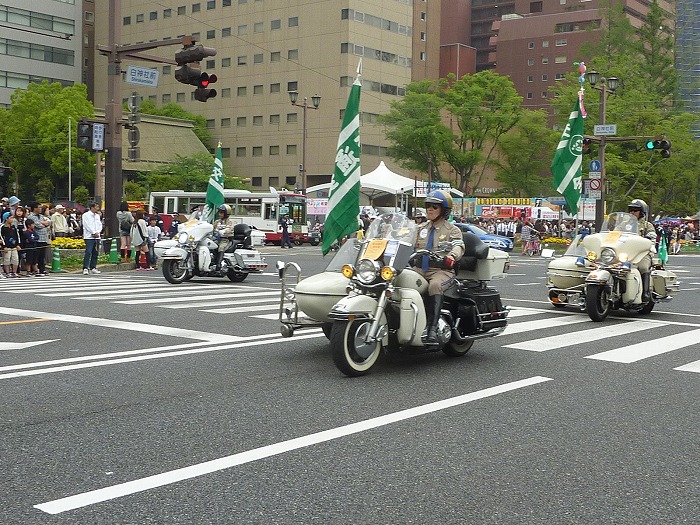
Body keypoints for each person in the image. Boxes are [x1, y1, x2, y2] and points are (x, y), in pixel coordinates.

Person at [412, 190, 465, 345]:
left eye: (434, 206)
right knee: (399, 280)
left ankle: (432, 330)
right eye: (428, 205)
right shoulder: (420, 228)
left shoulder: (452, 230)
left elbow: (459, 246)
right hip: (419, 269)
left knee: (434, 286)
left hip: (441, 271)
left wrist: (452, 256)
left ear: (444, 210)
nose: (430, 209)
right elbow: (406, 242)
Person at [627, 199, 655, 301]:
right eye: (631, 210)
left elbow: (652, 239)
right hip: (625, 252)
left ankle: (645, 292)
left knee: (643, 267)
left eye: (635, 210)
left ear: (642, 212)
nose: (632, 212)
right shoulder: (624, 224)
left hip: (642, 253)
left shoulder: (647, 225)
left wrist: (647, 241)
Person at [81, 202, 103, 275]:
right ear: (92, 207)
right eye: (96, 207)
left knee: (95, 252)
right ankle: (85, 268)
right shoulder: (86, 215)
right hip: (89, 237)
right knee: (88, 252)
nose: (98, 208)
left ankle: (93, 267)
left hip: (97, 236)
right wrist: (93, 232)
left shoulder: (97, 216)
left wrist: (98, 232)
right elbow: (86, 225)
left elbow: (99, 224)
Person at [213, 204, 236, 269]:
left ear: (226, 213)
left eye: (221, 212)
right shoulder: (217, 221)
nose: (219, 214)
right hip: (217, 239)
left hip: (226, 240)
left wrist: (223, 231)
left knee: (221, 247)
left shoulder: (230, 222)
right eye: (219, 212)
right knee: (211, 245)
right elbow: (212, 227)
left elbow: (230, 228)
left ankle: (219, 264)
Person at [1, 211, 21, 277]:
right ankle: (7, 272)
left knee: (15, 259)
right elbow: (1, 236)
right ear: (6, 218)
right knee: (7, 259)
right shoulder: (3, 227)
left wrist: (18, 244)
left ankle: (14, 272)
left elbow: (17, 236)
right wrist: (4, 246)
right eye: (11, 218)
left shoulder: (13, 227)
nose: (12, 219)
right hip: (7, 247)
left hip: (14, 246)